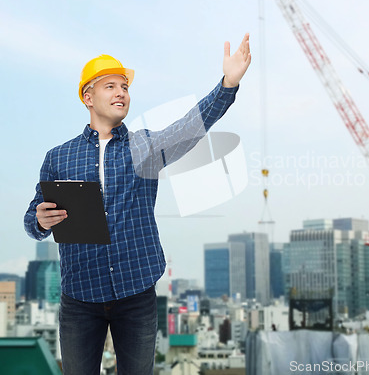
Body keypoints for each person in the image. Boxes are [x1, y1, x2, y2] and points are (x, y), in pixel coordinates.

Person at [24, 34, 251, 375]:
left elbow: (191, 126)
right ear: (88, 96)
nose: (121, 93)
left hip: (136, 293)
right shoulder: (58, 157)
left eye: (125, 87)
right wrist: (41, 221)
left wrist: (227, 85)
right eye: (110, 86)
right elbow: (32, 219)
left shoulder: (145, 147)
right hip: (80, 298)